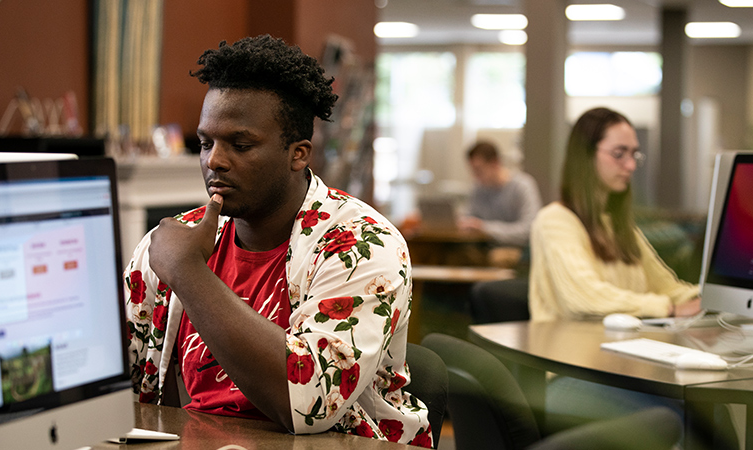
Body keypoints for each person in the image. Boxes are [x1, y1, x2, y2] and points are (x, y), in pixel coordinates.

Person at [124, 35, 431, 447]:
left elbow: (307, 403)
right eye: (205, 143)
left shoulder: (363, 243)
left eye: (241, 144)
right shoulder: (171, 242)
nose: (214, 160)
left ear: (298, 154)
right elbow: (119, 376)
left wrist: (188, 273)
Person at [529, 107, 701, 321]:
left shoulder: (617, 224)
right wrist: (668, 309)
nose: (630, 165)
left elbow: (668, 289)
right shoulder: (555, 220)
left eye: (633, 154)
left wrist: (712, 298)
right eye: (619, 154)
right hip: (570, 348)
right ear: (585, 155)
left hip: (619, 343)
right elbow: (584, 298)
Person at [458, 140, 542, 248]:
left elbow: (528, 229)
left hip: (515, 248)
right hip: (484, 246)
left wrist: (485, 228)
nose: (475, 176)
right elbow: (467, 216)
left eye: (479, 170)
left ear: (495, 163)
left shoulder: (522, 186)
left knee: (497, 257)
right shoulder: (478, 188)